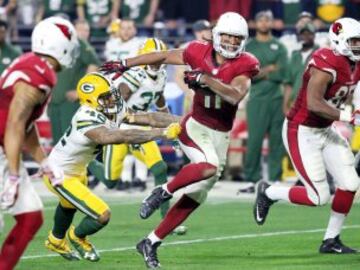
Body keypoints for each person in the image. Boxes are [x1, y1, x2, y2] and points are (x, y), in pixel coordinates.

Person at [100, 11, 259, 268]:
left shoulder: (246, 63)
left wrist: (205, 79)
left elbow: (234, 95)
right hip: (195, 127)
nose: (230, 43)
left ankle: (150, 242)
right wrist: (125, 63)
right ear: (217, 36)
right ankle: (162, 191)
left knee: (197, 194)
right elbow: (163, 55)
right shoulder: (198, 51)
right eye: (226, 37)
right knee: (207, 166)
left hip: (221, 134)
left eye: (236, 38)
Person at [44, 71, 181, 261]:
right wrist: (163, 133)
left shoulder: (110, 107)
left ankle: (55, 240)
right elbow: (118, 137)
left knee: (68, 206)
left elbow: (148, 117)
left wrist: (183, 120)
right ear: (91, 101)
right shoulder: (85, 117)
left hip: (77, 169)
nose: (112, 99)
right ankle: (77, 236)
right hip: (58, 172)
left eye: (111, 93)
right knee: (102, 214)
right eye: (105, 97)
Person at [254, 17, 360, 254]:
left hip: (325, 129)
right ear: (338, 39)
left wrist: (353, 109)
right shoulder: (326, 61)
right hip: (301, 130)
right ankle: (269, 192)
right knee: (317, 197)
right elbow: (313, 103)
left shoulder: (355, 63)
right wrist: (348, 117)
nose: (358, 46)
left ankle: (331, 240)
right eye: (353, 41)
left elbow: (347, 93)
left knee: (350, 183)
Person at [0, 16, 79, 270]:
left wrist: (44, 162)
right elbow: (14, 124)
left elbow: (24, 124)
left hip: (4, 146)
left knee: (31, 217)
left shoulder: (34, 64)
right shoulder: (39, 73)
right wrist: (13, 175)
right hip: (2, 149)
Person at [89, 38, 187, 233]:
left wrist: (172, 127)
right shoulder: (135, 75)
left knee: (160, 169)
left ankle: (166, 222)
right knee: (110, 181)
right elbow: (117, 103)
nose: (156, 63)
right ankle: (88, 161)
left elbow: (160, 104)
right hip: (120, 129)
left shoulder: (159, 77)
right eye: (153, 58)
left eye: (159, 59)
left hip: (140, 129)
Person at [240, 10, 288, 193]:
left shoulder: (280, 47)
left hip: (277, 99)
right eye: (261, 19)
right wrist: (269, 69)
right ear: (255, 23)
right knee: (254, 141)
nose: (264, 23)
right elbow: (249, 74)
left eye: (268, 19)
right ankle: (252, 179)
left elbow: (283, 73)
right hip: (257, 99)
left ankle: (275, 179)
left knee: (277, 141)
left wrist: (263, 71)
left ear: (272, 22)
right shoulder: (249, 47)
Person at [48, 19, 100, 145]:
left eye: (86, 30)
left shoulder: (81, 45)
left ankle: (93, 166)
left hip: (71, 103)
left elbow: (94, 66)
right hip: (55, 101)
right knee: (58, 144)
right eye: (80, 30)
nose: (83, 33)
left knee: (73, 144)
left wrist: (81, 90)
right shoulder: (61, 45)